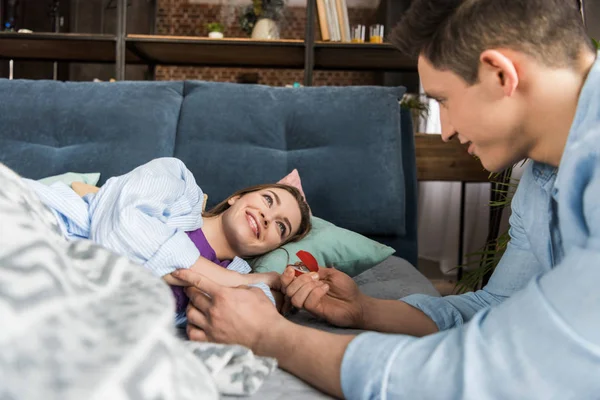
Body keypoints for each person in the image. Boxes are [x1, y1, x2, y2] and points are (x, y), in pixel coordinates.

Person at [173, 0, 600, 398]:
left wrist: (271, 337)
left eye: (444, 101)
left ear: (500, 75)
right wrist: (366, 311)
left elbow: (474, 374)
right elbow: (496, 306)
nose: (446, 130)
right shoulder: (543, 176)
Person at [26, 157, 312, 325]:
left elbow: (252, 319)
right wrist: (223, 277)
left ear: (275, 247)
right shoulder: (177, 181)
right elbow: (121, 228)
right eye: (267, 200)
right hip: (41, 229)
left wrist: (276, 288)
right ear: (237, 196)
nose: (266, 217)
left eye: (280, 227)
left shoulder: (239, 276)